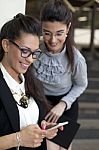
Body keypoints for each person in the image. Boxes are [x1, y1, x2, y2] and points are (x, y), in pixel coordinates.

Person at [33, 0, 88, 150]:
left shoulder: (76, 58)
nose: (52, 40)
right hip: (41, 103)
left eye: (59, 33)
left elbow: (81, 84)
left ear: (68, 28)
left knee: (63, 147)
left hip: (66, 105)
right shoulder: (34, 50)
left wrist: (62, 105)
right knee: (49, 147)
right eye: (46, 33)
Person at [0, 13, 59, 150]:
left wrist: (43, 128)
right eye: (25, 51)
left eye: (35, 53)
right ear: (6, 45)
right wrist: (18, 139)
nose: (30, 59)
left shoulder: (33, 83)